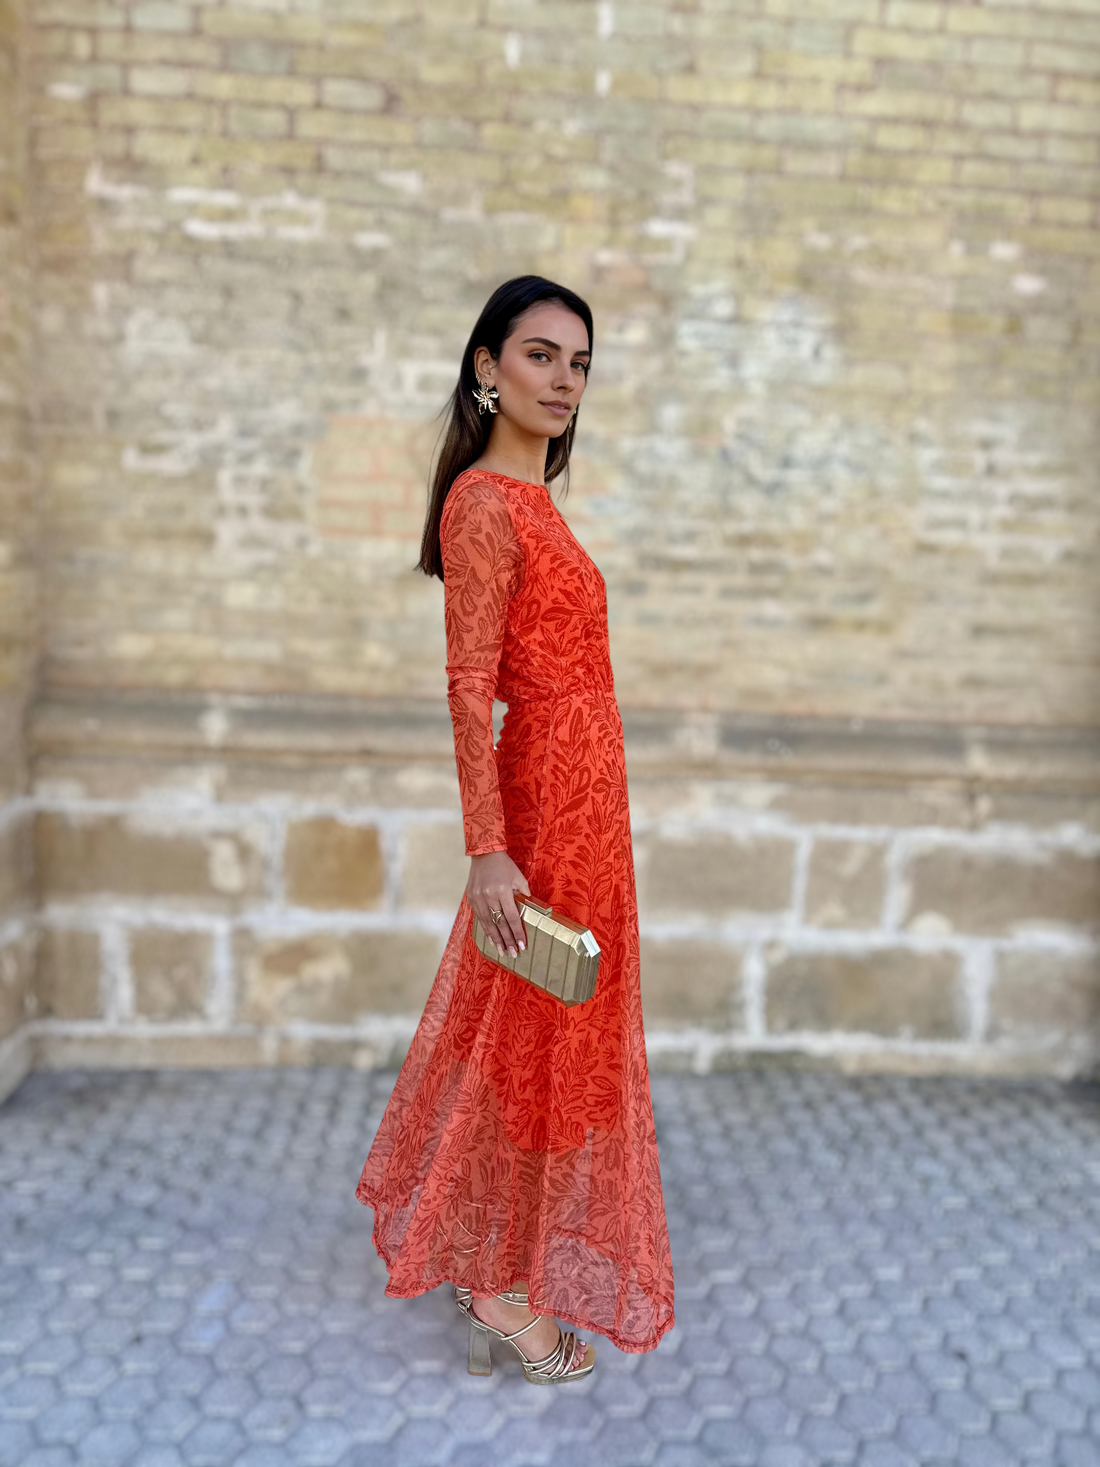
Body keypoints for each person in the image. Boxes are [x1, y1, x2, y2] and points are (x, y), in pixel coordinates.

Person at [355, 275, 675, 1384]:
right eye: (540, 356)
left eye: (579, 363)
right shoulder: (484, 506)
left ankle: (496, 1249)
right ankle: (494, 1280)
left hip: (589, 800)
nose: (563, 380)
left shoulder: (538, 504)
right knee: (524, 1030)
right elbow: (466, 683)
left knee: (551, 1028)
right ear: (486, 367)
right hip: (539, 805)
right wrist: (486, 844)